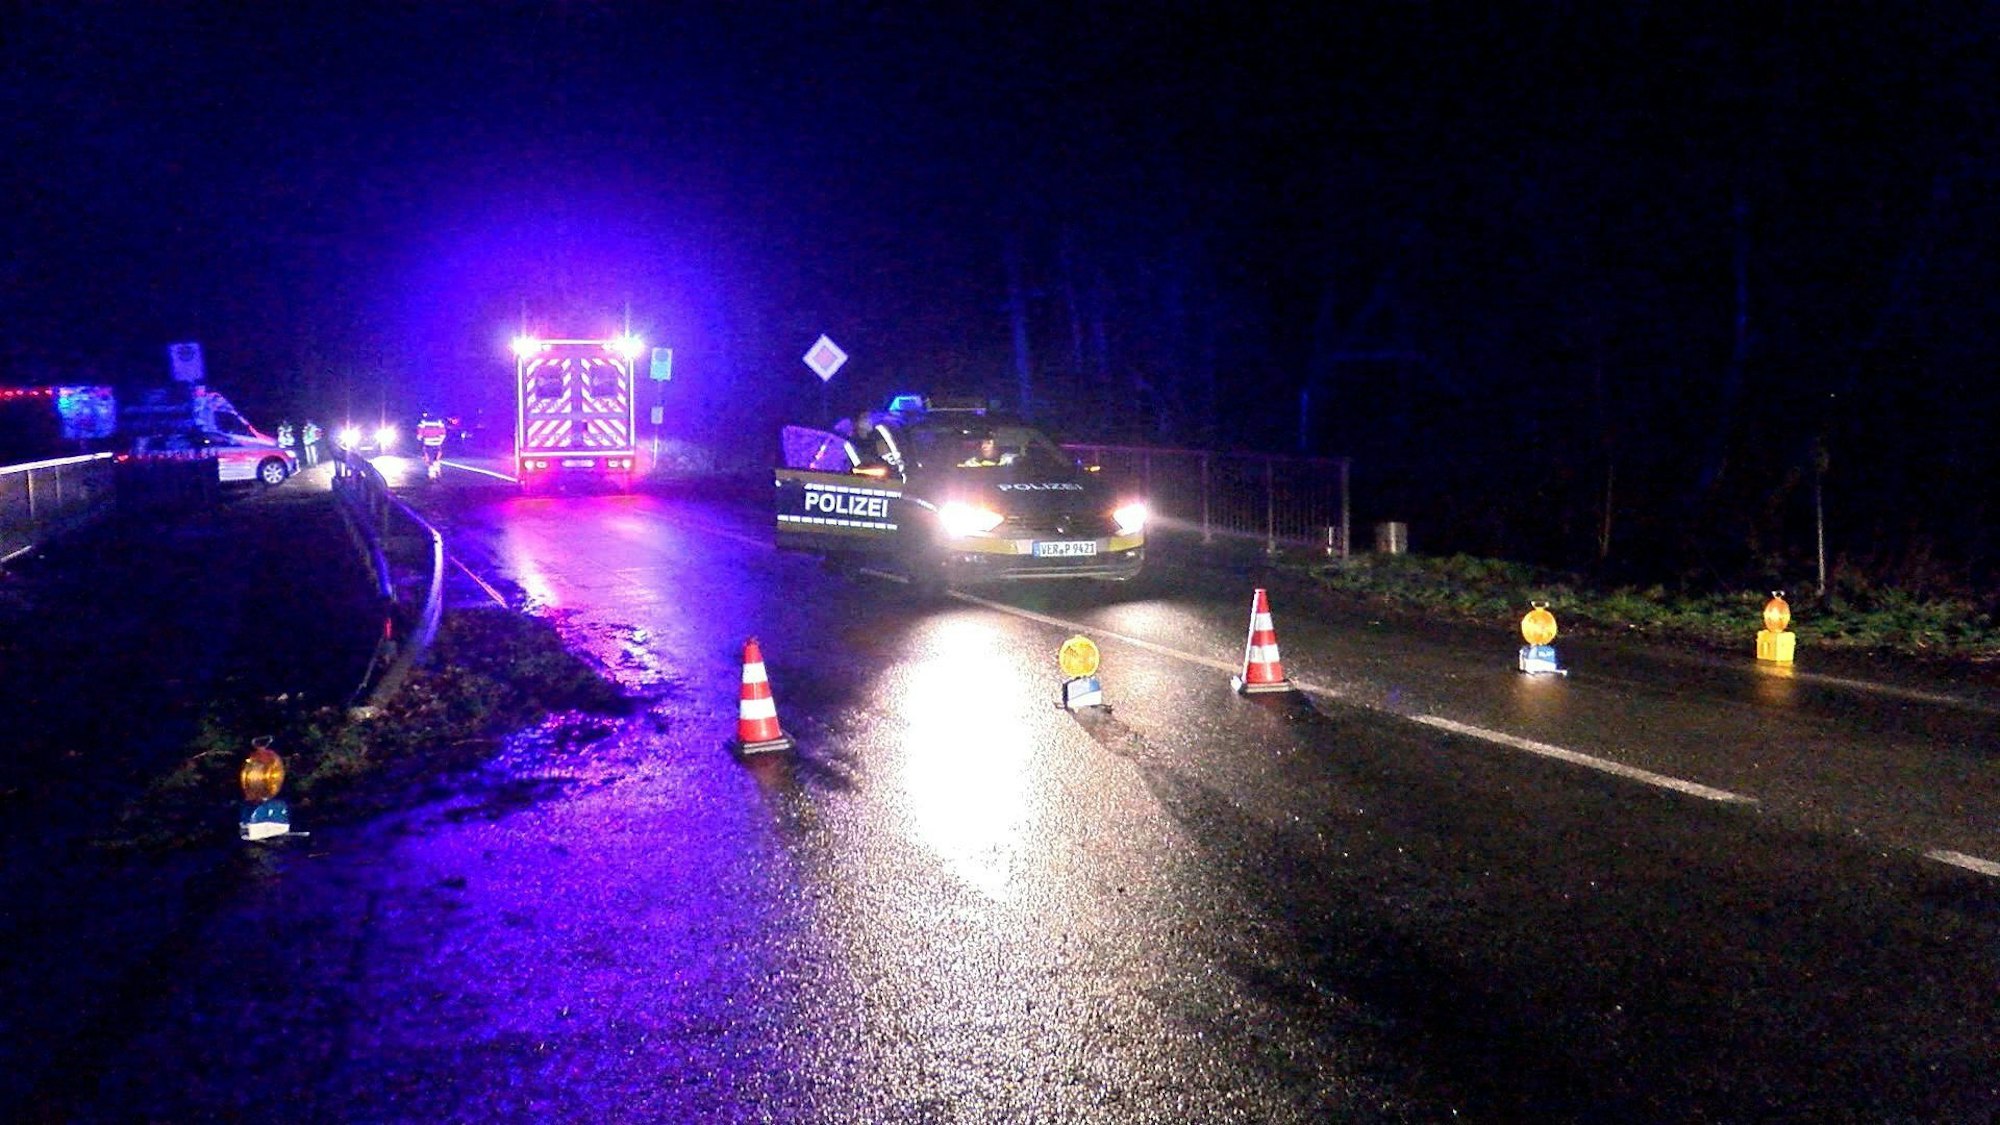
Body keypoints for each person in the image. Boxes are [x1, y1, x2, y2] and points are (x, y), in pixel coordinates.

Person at [416, 411, 447, 478]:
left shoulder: (423, 422)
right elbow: (443, 433)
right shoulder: (439, 421)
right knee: (438, 452)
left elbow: (419, 433)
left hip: (427, 442)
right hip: (437, 441)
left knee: (426, 455)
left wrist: (419, 438)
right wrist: (440, 440)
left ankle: (431, 468)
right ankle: (436, 462)